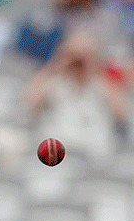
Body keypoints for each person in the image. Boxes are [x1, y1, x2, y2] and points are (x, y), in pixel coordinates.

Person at [24, 28, 127, 164]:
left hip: (95, 154)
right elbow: (30, 104)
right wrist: (58, 63)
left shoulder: (100, 83)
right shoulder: (54, 81)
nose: (78, 61)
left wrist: (95, 66)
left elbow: (119, 112)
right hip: (57, 153)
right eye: (73, 55)